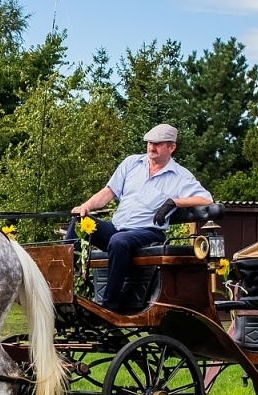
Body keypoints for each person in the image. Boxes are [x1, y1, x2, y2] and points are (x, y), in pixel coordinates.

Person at [69, 123, 212, 311]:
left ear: (171, 147)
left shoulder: (180, 176)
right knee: (79, 223)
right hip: (117, 228)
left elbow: (206, 199)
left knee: (118, 241)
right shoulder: (131, 163)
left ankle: (109, 307)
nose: (151, 147)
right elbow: (108, 192)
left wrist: (174, 202)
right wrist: (86, 206)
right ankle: (61, 288)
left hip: (149, 233)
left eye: (158, 144)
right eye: (150, 142)